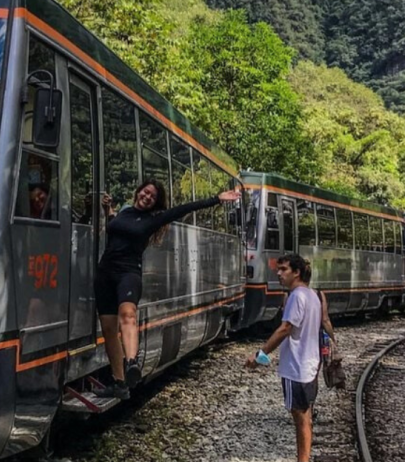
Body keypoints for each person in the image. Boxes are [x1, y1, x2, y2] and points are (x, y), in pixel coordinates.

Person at [94, 179, 240, 399]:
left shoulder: (153, 219)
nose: (147, 197)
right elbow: (115, 226)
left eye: (152, 196)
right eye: (145, 192)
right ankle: (119, 383)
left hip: (128, 273)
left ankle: (132, 362)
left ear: (155, 203)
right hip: (105, 273)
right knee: (107, 328)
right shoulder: (123, 213)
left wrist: (216, 199)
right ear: (138, 192)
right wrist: (108, 210)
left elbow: (183, 209)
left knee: (127, 314)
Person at [245, 254, 321, 462]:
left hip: (296, 366)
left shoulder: (297, 296)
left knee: (300, 418)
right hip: (310, 365)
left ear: (296, 272)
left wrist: (260, 354)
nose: (279, 274)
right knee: (305, 416)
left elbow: (285, 328)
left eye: (283, 269)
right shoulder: (312, 295)